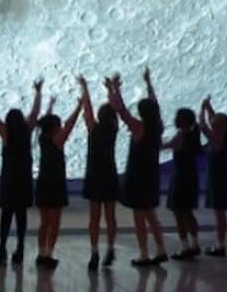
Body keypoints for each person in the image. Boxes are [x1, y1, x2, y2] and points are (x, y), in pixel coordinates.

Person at [0, 78, 43, 266]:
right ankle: (20, 248)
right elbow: (35, 112)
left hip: (9, 180)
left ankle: (2, 247)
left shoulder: (5, 132)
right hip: (24, 180)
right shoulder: (27, 130)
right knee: (21, 216)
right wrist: (38, 92)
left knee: (6, 215)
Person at [109, 69, 168, 266]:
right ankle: (161, 249)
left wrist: (115, 89)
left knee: (139, 217)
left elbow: (122, 111)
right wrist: (149, 83)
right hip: (151, 175)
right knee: (151, 215)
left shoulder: (139, 127)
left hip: (137, 176)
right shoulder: (157, 126)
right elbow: (154, 105)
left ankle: (144, 253)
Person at [35, 94, 83, 270]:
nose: (61, 127)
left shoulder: (42, 137)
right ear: (54, 128)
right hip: (55, 185)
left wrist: (50, 105)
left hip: (43, 183)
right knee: (54, 223)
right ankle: (49, 254)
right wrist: (79, 108)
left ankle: (41, 253)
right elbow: (69, 126)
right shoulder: (57, 140)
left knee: (44, 223)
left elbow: (47, 122)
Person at [77, 74, 119, 271]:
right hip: (109, 174)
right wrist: (111, 90)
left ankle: (94, 252)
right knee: (110, 216)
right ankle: (110, 248)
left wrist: (85, 87)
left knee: (94, 218)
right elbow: (117, 109)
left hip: (94, 175)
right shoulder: (113, 130)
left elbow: (87, 108)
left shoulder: (93, 129)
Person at [163, 107, 202, 259]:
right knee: (187, 211)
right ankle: (195, 243)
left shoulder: (181, 136)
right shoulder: (193, 135)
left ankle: (185, 246)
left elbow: (165, 146)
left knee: (179, 212)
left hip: (180, 178)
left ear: (183, 121)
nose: (174, 120)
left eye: (177, 117)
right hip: (191, 176)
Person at [199, 95, 227, 257]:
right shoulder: (221, 136)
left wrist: (201, 109)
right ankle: (220, 244)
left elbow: (203, 126)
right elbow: (213, 120)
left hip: (218, 178)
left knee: (219, 212)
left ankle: (220, 245)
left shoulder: (216, 139)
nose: (213, 122)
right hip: (217, 176)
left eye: (215, 123)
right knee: (218, 212)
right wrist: (208, 107)